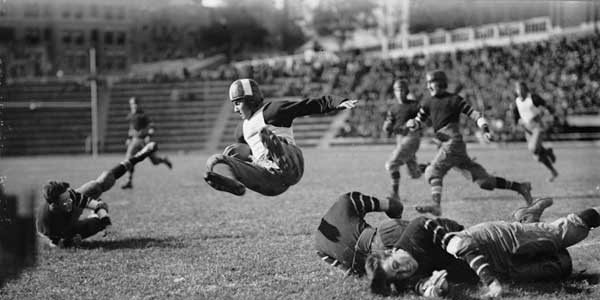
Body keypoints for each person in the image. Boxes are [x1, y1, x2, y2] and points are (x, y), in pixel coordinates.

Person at [364, 198, 599, 300]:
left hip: (493, 241)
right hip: (499, 269)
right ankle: (528, 217)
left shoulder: (418, 228)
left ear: (391, 251)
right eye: (399, 275)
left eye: (396, 265)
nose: (404, 270)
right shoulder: (402, 278)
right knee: (562, 266)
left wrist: (491, 282)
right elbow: (421, 286)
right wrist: (435, 289)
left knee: (564, 234)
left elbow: (463, 248)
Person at [406, 70, 534, 216]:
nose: (428, 86)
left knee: (433, 171)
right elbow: (418, 120)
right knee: (485, 182)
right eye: (427, 83)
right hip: (450, 145)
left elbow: (476, 115)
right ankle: (521, 187)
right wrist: (413, 123)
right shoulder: (428, 101)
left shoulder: (454, 100)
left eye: (431, 83)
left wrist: (485, 129)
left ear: (440, 83)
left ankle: (436, 205)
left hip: (452, 143)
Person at [205, 78, 358, 197]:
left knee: (273, 141)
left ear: (251, 99)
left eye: (238, 103)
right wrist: (237, 158)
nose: (235, 109)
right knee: (217, 159)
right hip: (270, 180)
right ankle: (234, 184)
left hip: (292, 166)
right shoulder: (240, 130)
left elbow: (307, 106)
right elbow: (245, 154)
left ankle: (275, 147)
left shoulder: (273, 111)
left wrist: (337, 101)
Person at [37, 142, 157, 247]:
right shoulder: (46, 223)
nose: (70, 201)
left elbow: (94, 204)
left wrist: (106, 220)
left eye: (68, 196)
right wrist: (70, 241)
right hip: (68, 229)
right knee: (95, 225)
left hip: (67, 220)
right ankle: (92, 218)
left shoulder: (71, 197)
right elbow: (56, 243)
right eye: (64, 200)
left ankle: (139, 156)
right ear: (53, 205)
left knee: (100, 185)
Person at [381, 78, 426, 199]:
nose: (399, 92)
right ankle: (430, 167)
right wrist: (387, 127)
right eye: (397, 90)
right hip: (400, 139)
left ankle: (394, 195)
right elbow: (390, 125)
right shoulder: (393, 108)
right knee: (414, 174)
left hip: (411, 137)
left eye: (402, 89)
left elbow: (425, 120)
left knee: (391, 164)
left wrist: (416, 123)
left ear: (406, 91)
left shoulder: (414, 105)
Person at [121, 96, 172, 189]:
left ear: (139, 105)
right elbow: (131, 128)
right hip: (135, 141)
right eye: (132, 104)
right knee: (128, 159)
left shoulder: (143, 115)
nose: (134, 106)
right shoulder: (131, 115)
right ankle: (129, 181)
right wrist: (129, 138)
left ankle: (163, 159)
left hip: (143, 141)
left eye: (135, 103)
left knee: (155, 161)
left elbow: (152, 125)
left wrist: (149, 135)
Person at [513, 81, 559, 182]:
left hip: (537, 126)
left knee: (532, 148)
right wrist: (516, 123)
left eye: (521, 89)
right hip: (527, 129)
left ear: (525, 89)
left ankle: (548, 152)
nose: (519, 92)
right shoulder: (516, 101)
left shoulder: (533, 98)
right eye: (517, 90)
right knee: (537, 157)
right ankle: (553, 170)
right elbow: (516, 115)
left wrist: (552, 113)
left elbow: (546, 105)